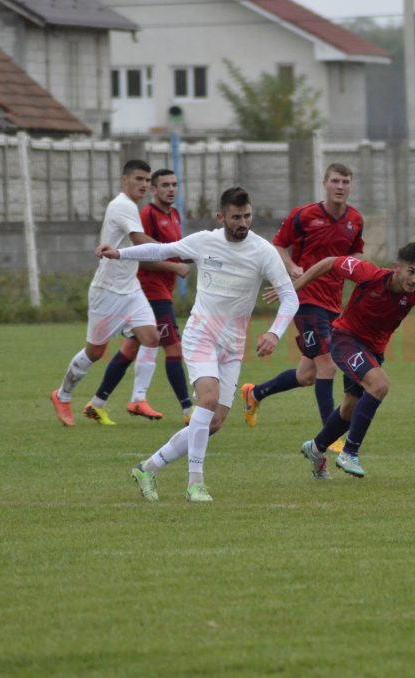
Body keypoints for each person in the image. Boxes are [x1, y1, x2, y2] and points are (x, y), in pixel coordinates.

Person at [96, 186, 299, 502]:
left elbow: (289, 297)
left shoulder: (263, 251)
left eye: (247, 216)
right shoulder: (205, 241)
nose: (243, 222)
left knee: (213, 422)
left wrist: (274, 332)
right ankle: (195, 484)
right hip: (202, 333)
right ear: (222, 217)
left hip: (234, 344)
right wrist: (120, 253)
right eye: (236, 217)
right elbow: (161, 250)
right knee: (207, 399)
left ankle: (147, 468)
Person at [288, 242, 415, 479]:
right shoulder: (369, 274)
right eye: (411, 272)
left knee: (349, 409)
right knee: (379, 385)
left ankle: (315, 449)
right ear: (396, 267)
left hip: (373, 351)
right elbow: (331, 263)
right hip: (344, 338)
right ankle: (350, 452)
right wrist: (294, 288)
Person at [240, 163, 364, 448]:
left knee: (307, 375)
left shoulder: (355, 219)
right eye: (335, 181)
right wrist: (293, 266)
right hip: (304, 300)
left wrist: (355, 269)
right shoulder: (305, 215)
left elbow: (356, 250)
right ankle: (330, 435)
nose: (340, 186)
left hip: (334, 303)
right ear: (325, 183)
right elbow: (279, 245)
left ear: (350, 185)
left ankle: (255, 393)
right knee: (328, 365)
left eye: (346, 181)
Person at [50, 159, 159, 427]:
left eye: (147, 180)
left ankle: (137, 398)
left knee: (152, 337)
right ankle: (62, 395)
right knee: (95, 352)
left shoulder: (131, 207)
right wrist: (178, 250)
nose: (144, 184)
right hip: (107, 291)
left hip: (130, 288)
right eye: (139, 179)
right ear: (125, 180)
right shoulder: (122, 205)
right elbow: (139, 242)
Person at [85, 169, 194, 424]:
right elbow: (141, 257)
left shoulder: (174, 214)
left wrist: (197, 254)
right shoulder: (147, 215)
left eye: (175, 184)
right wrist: (174, 266)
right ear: (154, 190)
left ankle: (98, 402)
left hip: (161, 290)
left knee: (131, 347)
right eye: (165, 185)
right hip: (149, 291)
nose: (171, 189)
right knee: (173, 347)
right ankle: (189, 411)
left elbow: (173, 250)